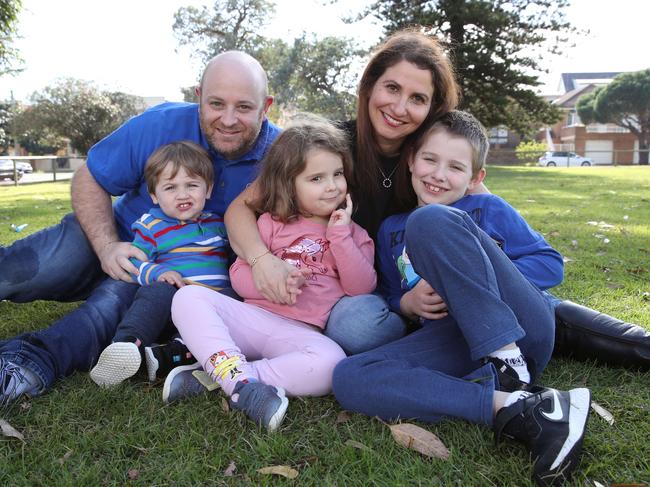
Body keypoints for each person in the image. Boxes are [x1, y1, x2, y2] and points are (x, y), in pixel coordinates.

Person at [225, 28, 648, 367]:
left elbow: (485, 216)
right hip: (370, 290)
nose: (399, 106)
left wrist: (485, 281)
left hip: (443, 279)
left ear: (432, 107)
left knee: (530, 301)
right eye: (391, 88)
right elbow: (240, 208)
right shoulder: (331, 146)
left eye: (418, 99)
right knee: (358, 330)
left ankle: (636, 345)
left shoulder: (436, 155)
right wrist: (262, 260)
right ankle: (439, 335)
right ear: (370, 86)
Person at [0, 51, 281, 405]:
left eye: (243, 107)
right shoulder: (161, 125)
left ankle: (27, 363)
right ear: (199, 98)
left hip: (176, 280)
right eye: (215, 104)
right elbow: (91, 177)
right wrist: (106, 246)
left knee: (111, 308)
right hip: (115, 235)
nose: (227, 119)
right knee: (29, 268)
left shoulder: (283, 156)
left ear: (266, 106)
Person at [333, 111, 591, 486]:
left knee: (430, 221)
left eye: (455, 167)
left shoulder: (487, 209)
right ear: (411, 161)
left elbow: (550, 264)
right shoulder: (392, 229)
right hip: (454, 340)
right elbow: (389, 291)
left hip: (520, 331)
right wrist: (407, 304)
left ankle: (508, 367)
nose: (438, 174)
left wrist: (478, 281)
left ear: (475, 178)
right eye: (430, 160)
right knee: (349, 377)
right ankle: (523, 407)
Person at [169, 116, 375, 431]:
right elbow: (238, 277)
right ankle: (238, 380)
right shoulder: (272, 223)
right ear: (289, 183)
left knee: (330, 363)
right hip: (251, 321)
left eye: (337, 174)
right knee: (188, 298)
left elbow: (361, 286)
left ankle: (231, 378)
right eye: (316, 178)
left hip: (301, 332)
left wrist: (340, 236)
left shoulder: (354, 234)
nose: (332, 185)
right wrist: (273, 280)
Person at [88, 141, 230, 387]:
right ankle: (126, 345)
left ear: (208, 189)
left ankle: (163, 358)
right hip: (171, 302)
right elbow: (132, 261)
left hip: (210, 308)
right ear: (154, 195)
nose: (183, 194)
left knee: (231, 303)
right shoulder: (152, 225)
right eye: (170, 187)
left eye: (192, 185)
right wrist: (159, 272)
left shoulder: (218, 224)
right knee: (156, 292)